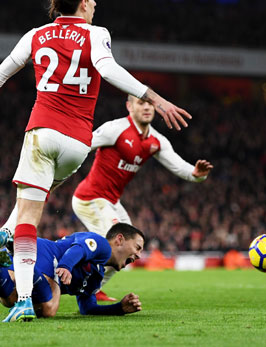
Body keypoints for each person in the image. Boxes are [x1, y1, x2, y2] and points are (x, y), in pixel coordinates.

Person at [0, 0, 191, 322]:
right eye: (94, 1)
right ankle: (3, 235)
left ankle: (23, 293)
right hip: (77, 144)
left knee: (29, 216)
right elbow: (107, 68)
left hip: (43, 133)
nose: (95, 6)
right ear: (84, 3)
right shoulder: (96, 33)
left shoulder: (36, 35)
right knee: (33, 201)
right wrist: (156, 98)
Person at [71, 95, 213, 301]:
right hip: (90, 198)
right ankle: (71, 274)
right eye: (141, 103)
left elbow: (181, 167)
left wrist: (197, 174)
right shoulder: (115, 129)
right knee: (119, 245)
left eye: (150, 103)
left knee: (130, 250)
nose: (146, 107)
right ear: (129, 106)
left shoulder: (156, 140)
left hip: (111, 201)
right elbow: (83, 145)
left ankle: (91, 289)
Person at [0, 223, 144, 319]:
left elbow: (87, 308)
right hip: (47, 254)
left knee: (10, 299)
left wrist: (119, 308)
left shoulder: (97, 276)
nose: (138, 255)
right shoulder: (101, 244)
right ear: (119, 239)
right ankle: (16, 259)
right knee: (49, 307)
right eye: (137, 248)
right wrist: (65, 266)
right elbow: (79, 248)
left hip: (38, 255)